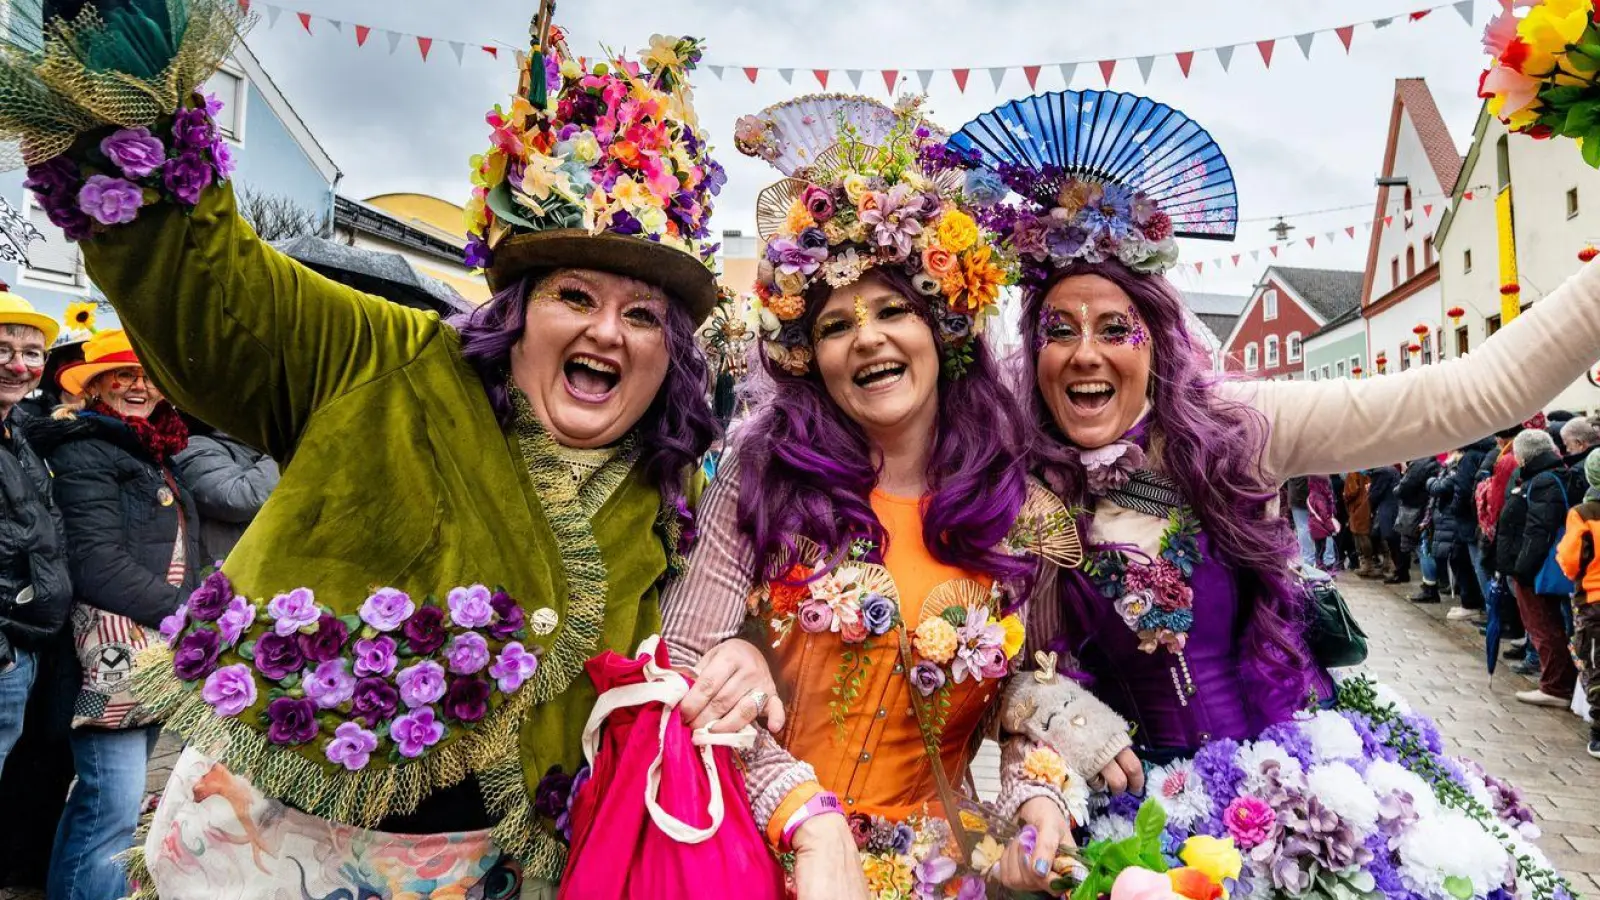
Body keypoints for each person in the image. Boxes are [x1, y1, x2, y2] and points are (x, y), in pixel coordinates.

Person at [3, 7, 765, 895]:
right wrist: (127, 65)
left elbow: (679, 646)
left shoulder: (657, 483)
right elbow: (204, 287)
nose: (607, 329)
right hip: (268, 857)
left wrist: (743, 649)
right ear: (517, 313)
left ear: (669, 353)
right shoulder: (383, 356)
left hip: (496, 872)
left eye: (641, 316)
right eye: (574, 294)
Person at [941, 86, 1585, 895]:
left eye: (1115, 328)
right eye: (1058, 331)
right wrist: (1064, 718)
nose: (1085, 354)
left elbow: (1471, 395)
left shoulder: (1241, 430)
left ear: (1158, 341)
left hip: (1299, 789)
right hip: (1137, 827)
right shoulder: (1020, 479)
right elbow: (997, 662)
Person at [665, 95, 1141, 900]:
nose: (869, 338)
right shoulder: (762, 479)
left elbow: (1026, 686)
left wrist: (1033, 796)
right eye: (836, 324)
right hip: (756, 858)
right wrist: (798, 809)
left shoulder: (1018, 508)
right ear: (810, 356)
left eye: (894, 311)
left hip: (938, 875)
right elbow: (678, 669)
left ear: (945, 330)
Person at [27, 331, 201, 900]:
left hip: (149, 653)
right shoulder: (86, 448)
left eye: (147, 375)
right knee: (114, 812)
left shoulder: (146, 448)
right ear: (96, 386)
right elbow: (96, 562)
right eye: (121, 375)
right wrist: (183, 613)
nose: (137, 385)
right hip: (111, 657)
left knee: (103, 807)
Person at [0, 287, 71, 775]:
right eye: (1, 350)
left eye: (30, 354)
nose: (17, 365)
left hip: (22, 649)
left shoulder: (17, 432)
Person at [1504, 429, 1579, 708]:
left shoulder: (1544, 480)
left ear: (1524, 456)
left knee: (1544, 625)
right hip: (1542, 564)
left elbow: (1538, 529)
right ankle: (1559, 684)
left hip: (1539, 566)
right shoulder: (1554, 473)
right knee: (1550, 625)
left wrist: (1522, 568)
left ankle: (1556, 687)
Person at [172, 428, 280, 562]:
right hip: (234, 571)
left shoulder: (255, 449)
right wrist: (288, 451)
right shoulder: (194, 447)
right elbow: (242, 498)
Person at [1555, 449, 1600, 758]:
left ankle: (1598, 732)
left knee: (1594, 660)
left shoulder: (1584, 512)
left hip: (1593, 598)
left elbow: (1571, 559)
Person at [1397, 455, 1444, 599]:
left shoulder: (1420, 463)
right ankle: (1430, 585)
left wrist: (1398, 487)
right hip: (1429, 510)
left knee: (1423, 548)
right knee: (1425, 547)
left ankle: (1430, 588)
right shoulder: (1435, 463)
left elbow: (1403, 488)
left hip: (1419, 512)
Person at [1343, 469, 1382, 576]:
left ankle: (1367, 565)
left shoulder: (1353, 472)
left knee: (1361, 536)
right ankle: (1383, 563)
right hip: (1369, 505)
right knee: (1367, 534)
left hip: (1358, 507)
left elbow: (1351, 491)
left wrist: (1345, 495)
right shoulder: (1371, 471)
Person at [1369, 463, 1403, 580]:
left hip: (1388, 509)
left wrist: (1369, 504)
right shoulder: (1390, 469)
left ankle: (1398, 570)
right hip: (1392, 507)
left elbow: (1375, 493)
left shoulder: (1382, 471)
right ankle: (1395, 568)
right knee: (1388, 538)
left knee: (1391, 539)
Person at [1306, 475, 1339, 572]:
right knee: (1321, 548)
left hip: (1315, 526)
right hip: (1320, 527)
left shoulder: (1311, 495)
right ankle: (1320, 565)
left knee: (1318, 547)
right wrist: (1332, 528)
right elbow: (1324, 514)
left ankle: (1319, 564)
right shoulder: (1319, 497)